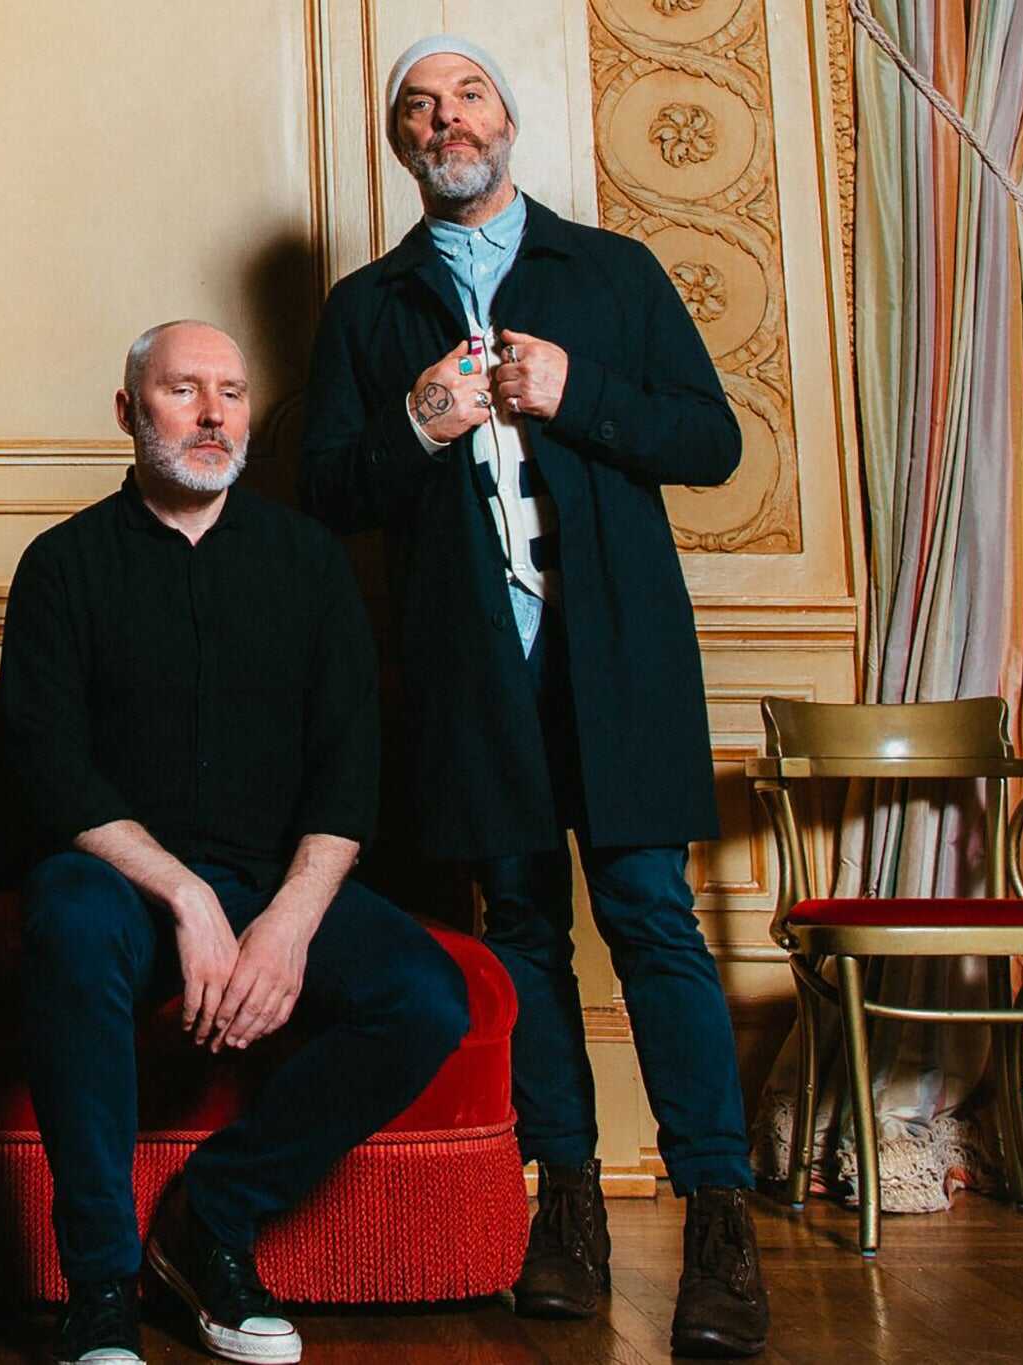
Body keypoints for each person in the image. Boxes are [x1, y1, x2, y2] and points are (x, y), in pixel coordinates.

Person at [299, 34, 768, 1358]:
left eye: (466, 97)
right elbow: (325, 492)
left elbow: (711, 440)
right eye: (417, 106)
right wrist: (415, 427)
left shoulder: (609, 271)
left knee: (650, 919)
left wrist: (579, 393)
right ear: (399, 142)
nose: (443, 120)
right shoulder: (365, 307)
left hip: (616, 659)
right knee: (519, 929)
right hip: (468, 670)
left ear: (505, 120)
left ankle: (718, 1221)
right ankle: (565, 1207)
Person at [3, 320, 473, 1365]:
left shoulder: (309, 563)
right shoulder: (62, 565)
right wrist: (187, 898)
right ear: (128, 412)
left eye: (232, 392)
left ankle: (211, 1214)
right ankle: (99, 1284)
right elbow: (50, 771)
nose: (213, 414)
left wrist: (287, 926)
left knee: (427, 998)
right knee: (67, 924)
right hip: (120, 882)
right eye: (183, 390)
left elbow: (348, 772)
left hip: (276, 877)